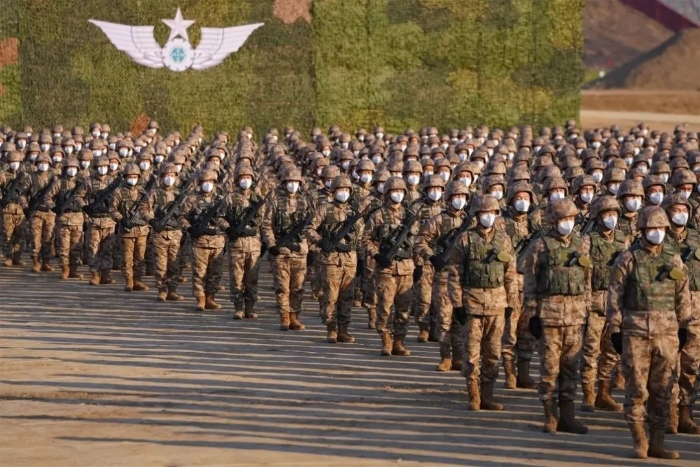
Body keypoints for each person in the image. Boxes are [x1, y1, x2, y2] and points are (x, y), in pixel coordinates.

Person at [607, 205, 690, 459]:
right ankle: (639, 440)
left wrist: (684, 325)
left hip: (667, 335)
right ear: (642, 230)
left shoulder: (673, 259)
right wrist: (615, 328)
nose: (657, 232)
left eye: (661, 228)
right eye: (652, 228)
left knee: (663, 390)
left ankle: (657, 441)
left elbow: (682, 294)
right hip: (636, 333)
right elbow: (615, 295)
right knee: (636, 390)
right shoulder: (628, 259)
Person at [522, 198, 592, 434]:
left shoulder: (582, 244)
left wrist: (586, 311)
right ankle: (550, 415)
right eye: (563, 219)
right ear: (553, 221)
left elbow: (587, 281)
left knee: (571, 368)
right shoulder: (540, 246)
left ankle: (568, 417)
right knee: (550, 369)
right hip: (549, 317)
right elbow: (530, 281)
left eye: (571, 218)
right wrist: (532, 313)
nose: (567, 223)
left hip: (575, 318)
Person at [448, 194, 517, 410]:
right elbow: (454, 274)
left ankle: (488, 395)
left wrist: (511, 303)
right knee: (472, 353)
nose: (488, 216)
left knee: (493, 353)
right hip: (472, 303)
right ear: (476, 215)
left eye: (491, 213)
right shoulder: (465, 240)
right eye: (483, 213)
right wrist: (457, 304)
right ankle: (474, 396)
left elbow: (510, 274)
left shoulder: (504, 240)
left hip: (497, 304)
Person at [580, 196, 627, 412]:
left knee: (611, 351)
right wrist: (585, 303)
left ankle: (604, 393)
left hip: (616, 304)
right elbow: (584, 275)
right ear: (598, 217)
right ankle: (588, 394)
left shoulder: (623, 240)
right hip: (595, 304)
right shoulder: (588, 240)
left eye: (614, 213)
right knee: (591, 351)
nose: (611, 218)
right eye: (607, 214)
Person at [416, 181, 469, 371]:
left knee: (460, 319)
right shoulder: (438, 220)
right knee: (444, 319)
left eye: (462, 197)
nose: (459, 200)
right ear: (449, 199)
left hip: (464, 278)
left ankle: (459, 357)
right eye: (456, 197)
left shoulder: (470, 221)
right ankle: (446, 357)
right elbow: (420, 241)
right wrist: (432, 257)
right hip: (444, 277)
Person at [362, 176, 418, 356]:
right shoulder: (378, 215)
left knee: (404, 308)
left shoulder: (409, 216)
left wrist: (419, 265)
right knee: (385, 307)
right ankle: (386, 340)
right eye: (395, 191)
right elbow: (365, 239)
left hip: (406, 268)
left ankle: (399, 342)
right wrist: (376, 255)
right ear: (387, 193)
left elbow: (417, 243)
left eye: (401, 191)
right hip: (386, 269)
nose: (398, 194)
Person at [661, 193, 700, 435]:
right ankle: (669, 413)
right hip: (665, 311)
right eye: (676, 210)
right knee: (667, 364)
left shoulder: (697, 238)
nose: (681, 214)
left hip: (694, 312)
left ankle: (686, 411)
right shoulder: (656, 241)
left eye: (684, 209)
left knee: (690, 365)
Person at [307, 174, 361, 343]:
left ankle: (343, 330)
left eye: (346, 189)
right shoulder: (324, 209)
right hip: (330, 259)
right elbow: (309, 229)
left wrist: (361, 257)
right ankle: (331, 329)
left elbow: (361, 236)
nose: (343, 192)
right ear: (333, 191)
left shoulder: (354, 212)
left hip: (350, 260)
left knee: (347, 296)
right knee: (330, 295)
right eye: (340, 189)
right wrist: (321, 241)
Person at [262, 167, 310, 331]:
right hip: (281, 252)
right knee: (282, 287)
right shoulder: (275, 202)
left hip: (299, 251)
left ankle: (294, 316)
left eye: (295, 182)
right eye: (290, 182)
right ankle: (284, 317)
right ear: (284, 183)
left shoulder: (306, 202)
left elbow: (312, 227)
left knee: (298, 288)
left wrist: (308, 246)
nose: (292, 185)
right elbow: (267, 226)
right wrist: (271, 245)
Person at [182, 169, 228, 311]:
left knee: (215, 273)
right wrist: (189, 228)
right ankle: (200, 299)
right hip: (199, 242)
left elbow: (228, 218)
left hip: (217, 242)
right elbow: (182, 217)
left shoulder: (221, 200)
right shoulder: (192, 199)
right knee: (199, 272)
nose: (207, 184)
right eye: (204, 181)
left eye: (210, 181)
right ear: (200, 183)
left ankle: (210, 298)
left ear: (214, 183)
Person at [223, 164, 265, 319]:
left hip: (254, 246)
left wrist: (264, 241)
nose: (245, 180)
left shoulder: (258, 199)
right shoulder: (229, 198)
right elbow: (220, 217)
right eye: (243, 178)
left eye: (248, 178)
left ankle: (250, 308)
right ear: (237, 180)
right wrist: (228, 229)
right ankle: (238, 308)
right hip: (236, 245)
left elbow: (265, 221)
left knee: (252, 278)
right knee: (236, 278)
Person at [140, 163, 187, 301]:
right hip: (160, 233)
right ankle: (162, 290)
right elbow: (143, 209)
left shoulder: (180, 195)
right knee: (160, 264)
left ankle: (172, 290)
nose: (169, 178)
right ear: (161, 177)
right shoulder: (154, 193)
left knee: (174, 264)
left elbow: (186, 213)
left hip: (175, 233)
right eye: (167, 175)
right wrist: (152, 221)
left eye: (172, 175)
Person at [110, 163, 150, 292]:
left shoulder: (143, 192)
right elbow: (112, 209)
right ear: (125, 177)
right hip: (126, 231)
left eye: (135, 177)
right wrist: (121, 219)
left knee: (140, 257)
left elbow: (149, 210)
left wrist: (149, 221)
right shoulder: (118, 192)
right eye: (130, 176)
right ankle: (129, 281)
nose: (132, 179)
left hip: (142, 230)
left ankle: (138, 280)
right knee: (127, 258)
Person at [83, 155, 118, 286]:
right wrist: (85, 208)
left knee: (108, 249)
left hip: (109, 221)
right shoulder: (88, 182)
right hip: (94, 221)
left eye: (104, 166)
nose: (102, 169)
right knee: (93, 249)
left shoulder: (113, 182)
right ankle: (95, 275)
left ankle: (106, 275)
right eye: (100, 167)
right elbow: (78, 196)